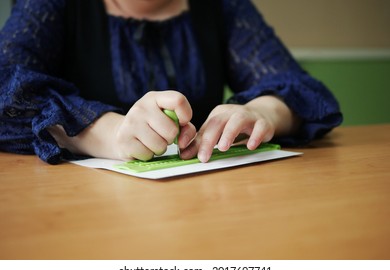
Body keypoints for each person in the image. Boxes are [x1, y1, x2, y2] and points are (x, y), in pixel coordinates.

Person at [0, 0, 342, 164]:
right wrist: (107, 133)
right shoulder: (50, 5)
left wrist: (264, 113)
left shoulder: (223, 6)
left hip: (203, 204)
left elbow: (301, 89)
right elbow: (6, 88)